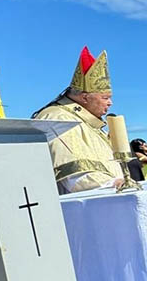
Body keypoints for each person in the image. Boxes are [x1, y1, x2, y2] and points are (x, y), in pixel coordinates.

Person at [31, 46, 122, 193]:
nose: (110, 103)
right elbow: (74, 175)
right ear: (85, 97)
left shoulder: (89, 122)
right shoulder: (58, 118)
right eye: (105, 98)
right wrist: (114, 184)